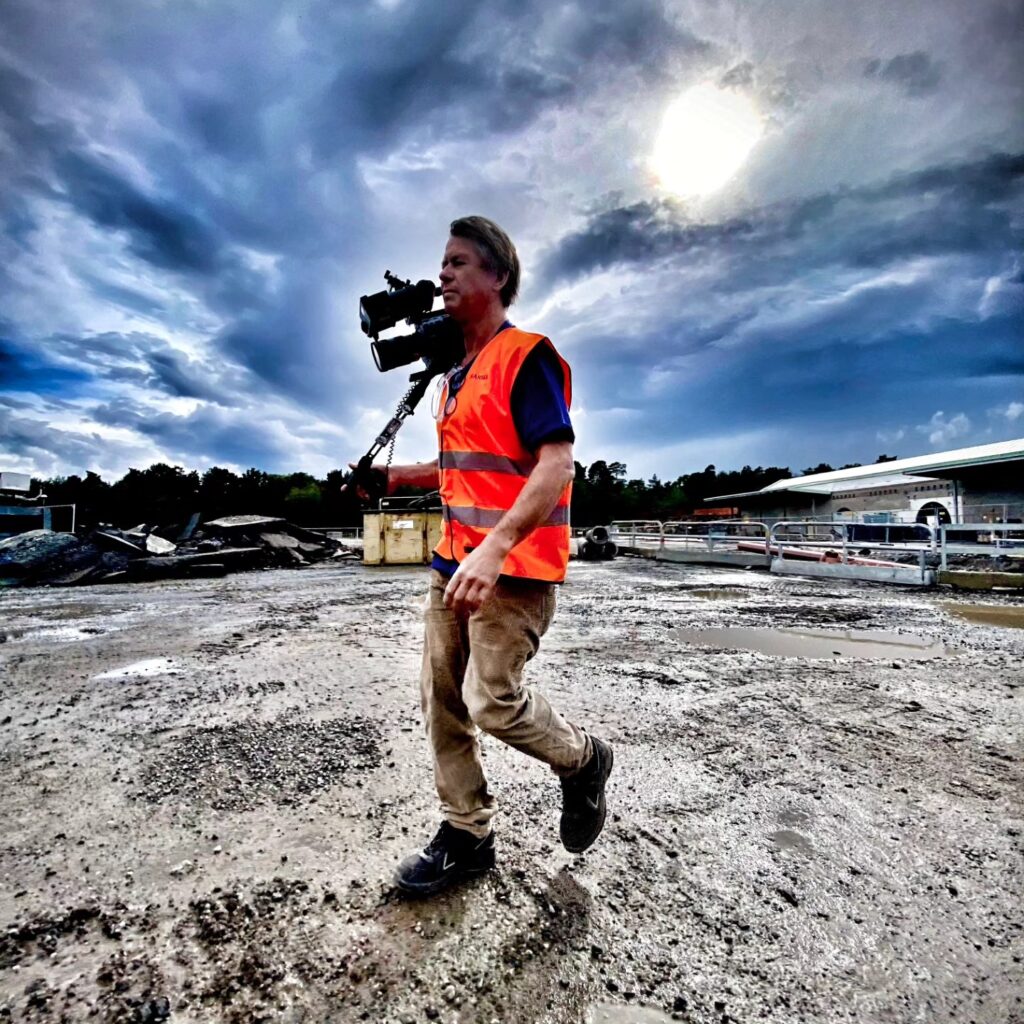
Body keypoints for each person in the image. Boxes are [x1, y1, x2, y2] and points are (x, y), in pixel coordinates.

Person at [361, 216, 613, 897]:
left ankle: (584, 761)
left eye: (460, 262)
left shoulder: (525, 355)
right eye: (441, 261)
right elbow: (457, 470)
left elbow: (557, 464)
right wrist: (385, 478)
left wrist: (497, 547)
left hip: (514, 570)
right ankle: (466, 835)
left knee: (492, 703)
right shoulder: (452, 378)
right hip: (453, 564)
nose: (443, 273)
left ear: (498, 276)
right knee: (442, 701)